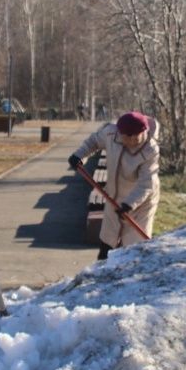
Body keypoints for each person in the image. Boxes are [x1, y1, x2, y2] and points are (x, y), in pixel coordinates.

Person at [69, 111, 160, 260]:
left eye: (134, 136)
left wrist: (129, 204)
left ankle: (132, 276)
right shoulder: (111, 134)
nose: (130, 141)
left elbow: (146, 183)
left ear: (143, 132)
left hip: (142, 201)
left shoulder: (150, 149)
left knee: (134, 245)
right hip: (114, 196)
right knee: (108, 239)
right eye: (125, 136)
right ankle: (100, 273)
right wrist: (79, 155)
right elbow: (94, 142)